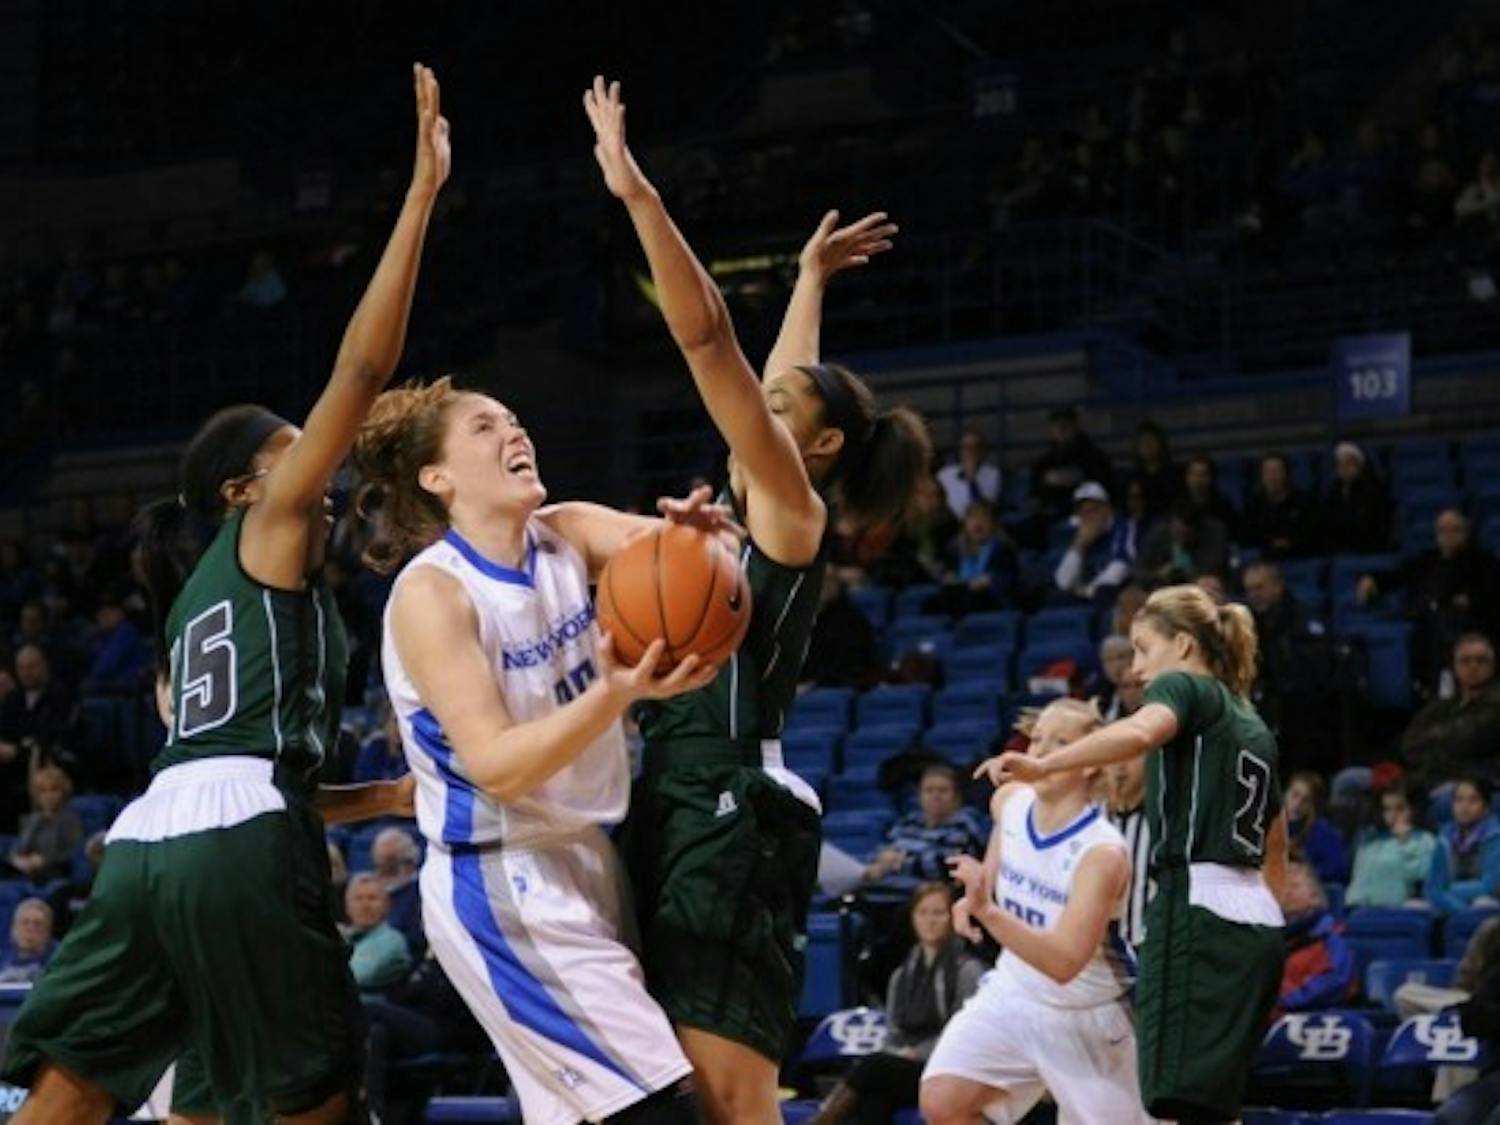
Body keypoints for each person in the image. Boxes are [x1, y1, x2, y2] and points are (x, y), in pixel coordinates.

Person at [0, 63, 448, 1125]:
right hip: (240, 846)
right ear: (250, 486)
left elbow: (236, 773)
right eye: (301, 456)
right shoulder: (267, 527)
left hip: (153, 842)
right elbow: (364, 368)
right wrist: (421, 196)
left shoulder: (210, 590)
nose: (327, 474)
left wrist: (379, 801)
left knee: (77, 1094)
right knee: (320, 1097)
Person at [585, 76, 932, 1123]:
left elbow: (714, 350)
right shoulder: (754, 503)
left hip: (733, 802)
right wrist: (810, 278)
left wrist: (639, 195)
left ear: (816, 448)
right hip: (680, 791)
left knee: (730, 1099)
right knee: (676, 1085)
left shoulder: (792, 514)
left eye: (781, 413)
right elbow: (779, 372)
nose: (760, 410)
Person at [358, 366, 720, 1124]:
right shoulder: (435, 592)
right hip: (498, 878)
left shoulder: (565, 532)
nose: (514, 432)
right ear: (437, 477)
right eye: (485, 427)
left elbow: (693, 557)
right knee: (661, 1104)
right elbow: (495, 764)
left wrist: (697, 534)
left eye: (514, 419)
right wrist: (613, 694)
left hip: (583, 854)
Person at [980, 584, 1288, 1122]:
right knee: (1211, 1108)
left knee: (1165, 1106)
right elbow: (1277, 838)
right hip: (1256, 917)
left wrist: (1045, 765)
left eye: (1145, 649)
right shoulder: (1250, 722)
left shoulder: (1187, 690)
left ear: (1185, 646)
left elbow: (1144, 729)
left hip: (1196, 905)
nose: (1137, 670)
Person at [920, 699, 1149, 1125]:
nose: (1039, 752)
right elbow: (1000, 860)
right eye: (1038, 738)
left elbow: (1064, 962)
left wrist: (988, 912)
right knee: (942, 1100)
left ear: (1087, 762)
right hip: (1015, 991)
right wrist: (976, 894)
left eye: (1059, 742)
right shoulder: (1009, 801)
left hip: (1089, 1011)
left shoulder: (1102, 853)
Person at [811, 883, 984, 1125]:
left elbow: (965, 1035)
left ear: (952, 918)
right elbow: (893, 1034)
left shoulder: (967, 970)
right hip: (904, 1068)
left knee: (873, 1067)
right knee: (874, 1098)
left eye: (938, 913)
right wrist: (902, 1054)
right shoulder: (901, 976)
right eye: (922, 913)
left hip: (949, 1070)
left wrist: (917, 1053)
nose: (930, 921)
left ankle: (819, 1121)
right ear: (912, 918)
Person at [1358, 509, 1500, 693]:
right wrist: (1373, 580)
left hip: (1463, 625)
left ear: (1466, 532)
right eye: (1442, 530)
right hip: (1423, 619)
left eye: (1454, 529)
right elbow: (1400, 575)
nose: (1447, 535)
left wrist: (1469, 601)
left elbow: (1490, 597)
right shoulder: (1428, 559)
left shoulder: (1483, 562)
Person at [1402, 633, 1500, 790]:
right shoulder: (1443, 703)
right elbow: (1409, 744)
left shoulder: (1496, 703)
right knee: (1353, 778)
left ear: (1492, 666)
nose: (1473, 666)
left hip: (1475, 783)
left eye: (1481, 660)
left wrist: (1433, 739)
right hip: (1431, 776)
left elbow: (1467, 741)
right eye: (1465, 661)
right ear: (1455, 666)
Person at [862, 764, 987, 883]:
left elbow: (946, 865)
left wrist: (900, 862)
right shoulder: (908, 822)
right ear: (919, 796)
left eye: (942, 791)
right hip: (896, 887)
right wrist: (881, 861)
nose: (935, 796)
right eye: (928, 791)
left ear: (956, 797)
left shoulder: (965, 824)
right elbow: (882, 851)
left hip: (938, 893)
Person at [1273, 863, 1357, 1020]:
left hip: (1314, 1019)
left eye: (1295, 886)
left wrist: (1285, 1001)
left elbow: (1335, 980)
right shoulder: (1270, 937)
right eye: (1282, 886)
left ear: (1314, 895)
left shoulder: (1331, 936)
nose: (1288, 892)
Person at [1346, 782, 1437, 908]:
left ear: (1413, 809)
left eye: (1400, 808)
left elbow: (1419, 876)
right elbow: (1359, 882)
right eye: (1387, 809)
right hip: (1370, 911)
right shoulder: (1371, 843)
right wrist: (1353, 906)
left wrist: (1404, 844)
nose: (1393, 815)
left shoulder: (1425, 841)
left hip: (1408, 909)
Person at [1053, 481, 1139, 604]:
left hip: (1109, 596)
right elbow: (1063, 583)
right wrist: (1078, 545)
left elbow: (1121, 568)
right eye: (1083, 512)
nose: (1088, 517)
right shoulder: (1078, 535)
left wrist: (1088, 591)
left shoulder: (1124, 527)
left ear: (1107, 509)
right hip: (1082, 599)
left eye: (1093, 510)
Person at [928, 500, 1018, 616]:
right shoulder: (952, 549)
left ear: (993, 523)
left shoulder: (1004, 550)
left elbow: (1008, 581)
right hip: (957, 600)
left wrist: (989, 581)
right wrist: (947, 577)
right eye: (973, 517)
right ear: (965, 522)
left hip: (988, 602)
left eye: (984, 518)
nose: (978, 523)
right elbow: (944, 575)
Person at [1428, 777, 1500, 916]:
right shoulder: (1444, 837)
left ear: (1486, 807)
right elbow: (1432, 886)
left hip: (1490, 903)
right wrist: (1460, 909)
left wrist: (1446, 891)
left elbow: (1490, 886)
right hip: (1451, 902)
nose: (1464, 806)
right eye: (1458, 800)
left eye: (1473, 800)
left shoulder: (1495, 837)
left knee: (1483, 903)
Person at [1030, 407, 1115, 522]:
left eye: (1065, 425)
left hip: (1084, 512)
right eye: (1056, 425)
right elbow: (1035, 491)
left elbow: (1100, 487)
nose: (1061, 429)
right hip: (1051, 513)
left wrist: (1068, 479)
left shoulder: (1094, 456)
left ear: (1076, 427)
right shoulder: (1045, 461)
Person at [1106, 752, 1152, 952]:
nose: (1120, 766)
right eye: (1112, 755)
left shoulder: (1166, 822)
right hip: (1093, 950)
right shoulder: (1087, 813)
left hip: (1145, 949)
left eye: (1131, 754)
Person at [6, 765, 83, 885]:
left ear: (63, 792)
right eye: (43, 791)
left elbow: (73, 853)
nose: (49, 796)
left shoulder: (70, 819)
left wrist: (43, 861)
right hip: (28, 875)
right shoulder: (33, 820)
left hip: (57, 877)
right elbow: (19, 848)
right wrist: (18, 859)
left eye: (54, 790)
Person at [343, 873, 413, 1000]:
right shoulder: (342, 938)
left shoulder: (392, 941)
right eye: (358, 899)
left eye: (372, 898)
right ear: (347, 907)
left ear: (387, 906)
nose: (365, 906)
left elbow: (360, 975)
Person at [1132, 499, 1230, 589]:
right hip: (1162, 588)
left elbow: (1214, 570)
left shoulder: (1213, 536)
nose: (1181, 539)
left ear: (1196, 530)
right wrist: (1158, 574)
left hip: (1198, 590)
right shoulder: (1159, 534)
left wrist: (1191, 577)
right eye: (1177, 532)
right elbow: (1138, 572)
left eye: (1186, 534)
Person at [1242, 453, 1319, 558]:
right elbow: (1248, 537)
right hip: (1265, 558)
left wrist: (1290, 543)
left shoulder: (1304, 502)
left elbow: (1313, 536)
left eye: (1277, 472)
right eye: (1267, 472)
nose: (1272, 477)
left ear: (1286, 474)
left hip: (1298, 556)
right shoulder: (1254, 504)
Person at [1323, 442, 1392, 554]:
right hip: (1339, 549)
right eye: (1340, 463)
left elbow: (1379, 525)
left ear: (1359, 465)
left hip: (1369, 547)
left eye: (1348, 463)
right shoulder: (1333, 492)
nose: (1343, 467)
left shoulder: (1374, 491)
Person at [1284, 771, 1349, 885]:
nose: (1297, 803)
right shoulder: (1269, 824)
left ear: (1313, 805)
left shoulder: (1322, 831)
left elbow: (1338, 867)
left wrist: (1307, 873)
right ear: (1286, 793)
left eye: (1306, 800)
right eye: (1295, 795)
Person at [936, 430, 1001, 520]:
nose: (970, 451)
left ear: (982, 451)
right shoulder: (945, 474)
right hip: (950, 523)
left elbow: (983, 508)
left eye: (975, 447)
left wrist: (971, 478)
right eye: (966, 447)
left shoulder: (992, 473)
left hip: (980, 522)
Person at [1181, 454, 1239, 538]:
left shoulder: (1223, 505)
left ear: (1211, 478)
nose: (1198, 479)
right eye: (1194, 474)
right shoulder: (1178, 505)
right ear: (1186, 478)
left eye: (1203, 474)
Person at [0, 900, 57, 984]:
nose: (30, 929)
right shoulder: (2, 958)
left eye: (37, 924)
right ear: (14, 929)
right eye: (24, 923)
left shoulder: (58, 958)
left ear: (47, 931)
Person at [1130, 420, 1177, 521]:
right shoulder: (1132, 478)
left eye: (1151, 440)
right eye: (1143, 441)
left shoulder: (1174, 475)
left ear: (1161, 444)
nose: (1147, 445)